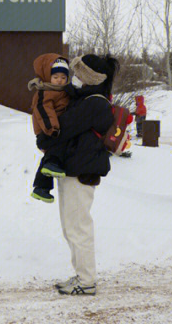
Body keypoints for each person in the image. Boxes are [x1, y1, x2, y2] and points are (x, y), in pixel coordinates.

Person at [50, 53, 119, 296]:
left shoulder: (94, 103)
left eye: (79, 73)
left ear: (89, 77)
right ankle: (81, 275)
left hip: (82, 172)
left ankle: (87, 281)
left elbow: (64, 126)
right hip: (74, 169)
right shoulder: (87, 98)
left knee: (78, 227)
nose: (74, 78)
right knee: (71, 227)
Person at [27, 54, 71, 203]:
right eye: (56, 76)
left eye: (63, 77)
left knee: (48, 159)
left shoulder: (62, 92)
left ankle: (41, 188)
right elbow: (44, 111)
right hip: (48, 132)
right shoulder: (44, 91)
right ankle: (52, 164)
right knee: (55, 152)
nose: (60, 80)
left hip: (53, 131)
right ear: (47, 76)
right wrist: (52, 129)